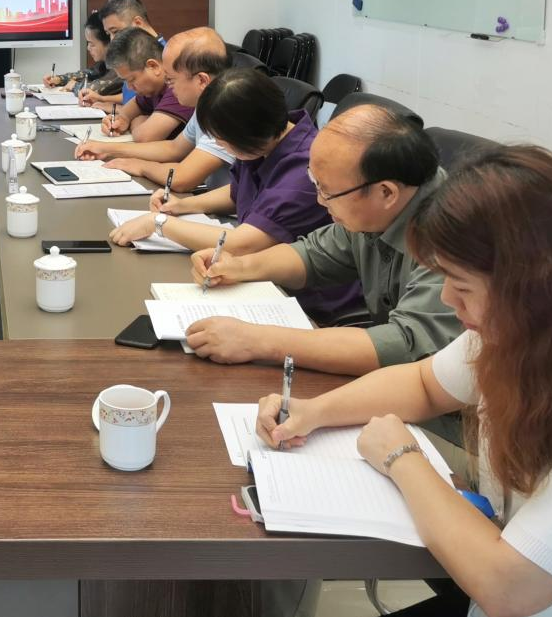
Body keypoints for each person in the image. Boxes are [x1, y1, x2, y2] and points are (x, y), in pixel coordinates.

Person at [256, 146, 552, 617]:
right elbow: (424, 383)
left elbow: (509, 589)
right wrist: (315, 411)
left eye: (462, 285)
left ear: (537, 287)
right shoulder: (531, 333)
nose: (448, 299)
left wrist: (401, 457)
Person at [187, 104, 463, 440]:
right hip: (398, 394)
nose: (319, 201)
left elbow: (405, 345)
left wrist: (256, 341)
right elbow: (316, 254)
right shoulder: (378, 206)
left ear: (386, 192)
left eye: (326, 191)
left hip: (454, 426)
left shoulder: (453, 234)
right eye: (315, 184)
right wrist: (240, 266)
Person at [108, 67, 363, 321]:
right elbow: (238, 192)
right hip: (261, 279)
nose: (220, 146)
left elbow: (242, 244)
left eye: (221, 140)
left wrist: (159, 223)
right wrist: (182, 206)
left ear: (248, 133)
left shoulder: (304, 170)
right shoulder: (266, 143)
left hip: (309, 304)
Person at [76, 27, 231, 188]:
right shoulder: (204, 106)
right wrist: (107, 149)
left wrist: (141, 166)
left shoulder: (225, 113)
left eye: (171, 80)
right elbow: (174, 148)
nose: (169, 85)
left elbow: (182, 178)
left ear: (202, 81)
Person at [95, 27, 195, 142]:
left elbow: (145, 136)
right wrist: (119, 120)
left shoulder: (177, 88)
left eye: (131, 79)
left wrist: (136, 121)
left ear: (153, 66)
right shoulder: (153, 89)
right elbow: (127, 112)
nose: (129, 87)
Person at [81, 0, 166, 107]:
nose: (112, 40)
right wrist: (102, 99)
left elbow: (151, 106)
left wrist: (117, 110)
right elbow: (133, 97)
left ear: (137, 23)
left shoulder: (166, 57)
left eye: (115, 31)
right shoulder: (132, 52)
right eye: (108, 34)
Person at [45, 10, 122, 104]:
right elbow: (87, 73)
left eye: (92, 44)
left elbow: (95, 89)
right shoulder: (104, 64)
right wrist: (59, 79)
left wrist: (74, 86)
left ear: (109, 43)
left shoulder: (121, 66)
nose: (88, 48)